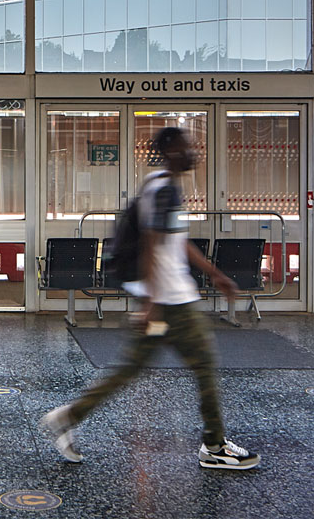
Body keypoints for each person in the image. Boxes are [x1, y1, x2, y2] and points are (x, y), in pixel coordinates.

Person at [39, 126, 259, 470]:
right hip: (170, 301)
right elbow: (153, 247)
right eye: (187, 147)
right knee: (202, 363)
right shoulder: (164, 190)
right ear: (170, 150)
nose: (193, 152)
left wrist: (214, 273)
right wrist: (153, 307)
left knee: (131, 368)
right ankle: (214, 445)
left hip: (168, 297)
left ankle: (69, 416)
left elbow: (177, 241)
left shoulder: (160, 185)